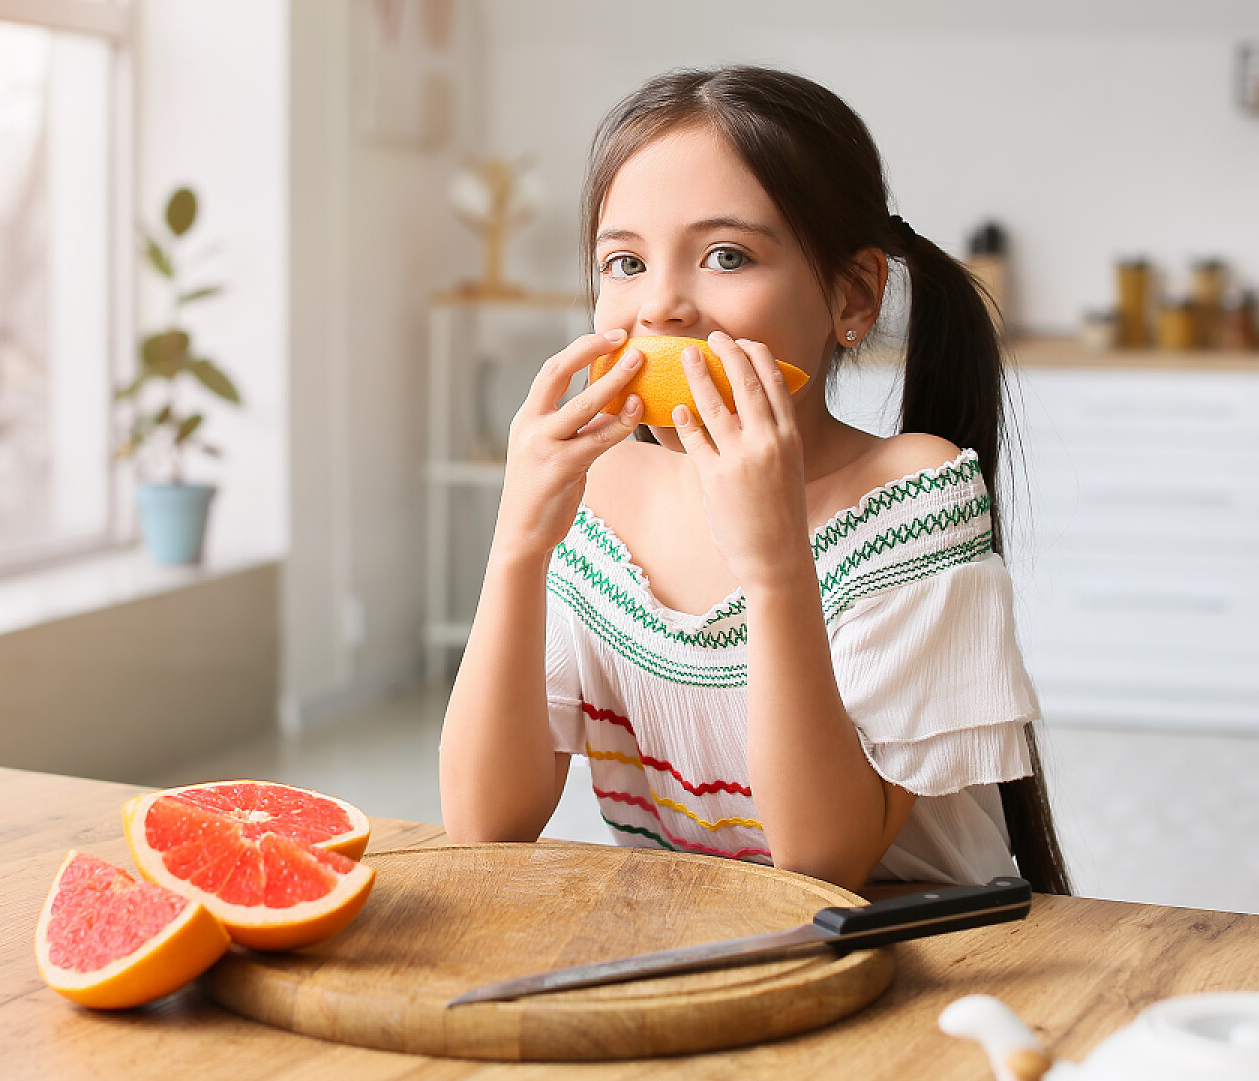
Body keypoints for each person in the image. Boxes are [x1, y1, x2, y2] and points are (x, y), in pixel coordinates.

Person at [438, 66, 1069, 895]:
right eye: (624, 262)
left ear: (853, 297)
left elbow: (823, 865)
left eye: (726, 256)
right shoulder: (600, 491)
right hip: (711, 949)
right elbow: (484, 825)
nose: (660, 307)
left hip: (920, 947)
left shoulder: (912, 496)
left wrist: (774, 566)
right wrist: (517, 544)